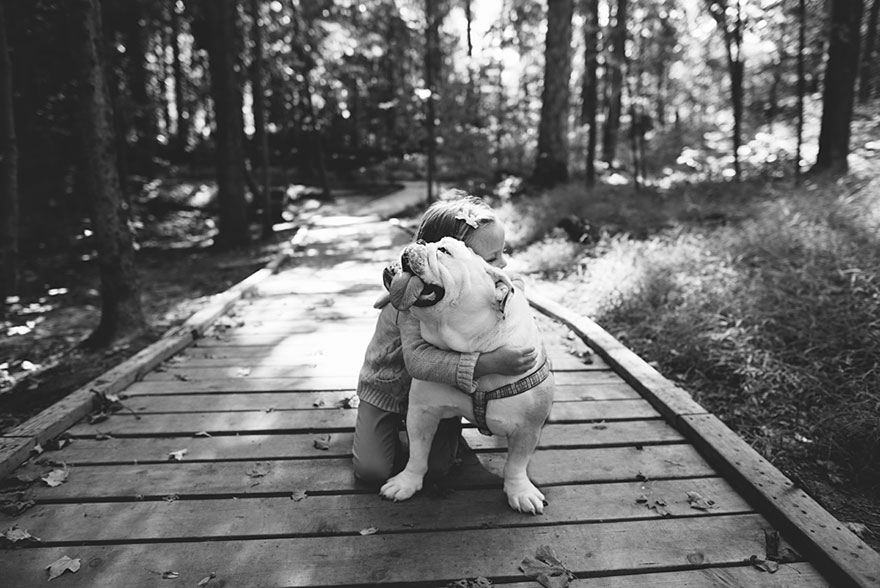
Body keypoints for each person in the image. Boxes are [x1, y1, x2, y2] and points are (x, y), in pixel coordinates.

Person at [352, 193, 537, 486]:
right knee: (372, 471)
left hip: (440, 391)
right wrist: (488, 364)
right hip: (388, 391)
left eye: (502, 253)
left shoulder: (467, 291)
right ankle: (376, 429)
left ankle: (435, 430)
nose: (503, 263)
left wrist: (509, 288)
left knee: (439, 470)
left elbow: (509, 290)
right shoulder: (415, 301)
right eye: (491, 258)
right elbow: (417, 362)